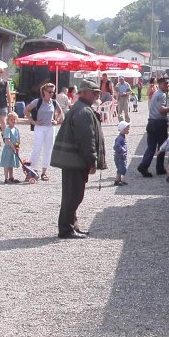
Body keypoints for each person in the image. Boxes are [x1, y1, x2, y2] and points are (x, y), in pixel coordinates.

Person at [51, 79, 106, 239]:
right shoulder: (84, 112)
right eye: (94, 92)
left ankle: (72, 226)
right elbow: (86, 139)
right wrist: (92, 161)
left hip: (72, 160)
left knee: (72, 194)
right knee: (73, 196)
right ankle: (66, 230)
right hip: (75, 161)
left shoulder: (81, 108)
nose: (97, 95)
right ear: (84, 93)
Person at [137, 76, 169, 177]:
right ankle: (159, 168)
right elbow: (162, 110)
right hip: (159, 124)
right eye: (166, 83)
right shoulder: (162, 95)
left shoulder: (156, 93)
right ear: (161, 84)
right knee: (162, 147)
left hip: (151, 122)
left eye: (168, 83)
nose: (168, 85)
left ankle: (144, 165)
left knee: (151, 147)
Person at [23, 82, 64, 182]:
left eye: (53, 92)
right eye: (49, 92)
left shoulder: (54, 102)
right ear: (44, 91)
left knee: (48, 150)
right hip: (40, 128)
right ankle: (30, 171)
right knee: (37, 148)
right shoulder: (38, 101)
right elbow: (26, 110)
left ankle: (44, 172)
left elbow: (61, 112)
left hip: (50, 128)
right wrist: (33, 121)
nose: (51, 94)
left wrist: (57, 120)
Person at [0, 111, 22, 184]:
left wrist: (17, 148)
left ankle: (11, 177)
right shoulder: (7, 129)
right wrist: (13, 147)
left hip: (14, 150)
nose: (13, 121)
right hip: (8, 149)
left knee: (11, 163)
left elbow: (18, 140)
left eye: (14, 119)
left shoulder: (16, 130)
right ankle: (6, 178)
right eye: (11, 119)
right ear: (8, 120)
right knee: (7, 164)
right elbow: (7, 140)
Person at [113, 120, 130, 186]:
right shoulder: (120, 138)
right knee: (120, 169)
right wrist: (122, 150)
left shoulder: (122, 137)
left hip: (121, 156)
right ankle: (117, 181)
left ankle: (119, 180)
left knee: (120, 168)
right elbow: (117, 146)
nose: (129, 129)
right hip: (120, 156)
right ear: (123, 129)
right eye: (127, 128)